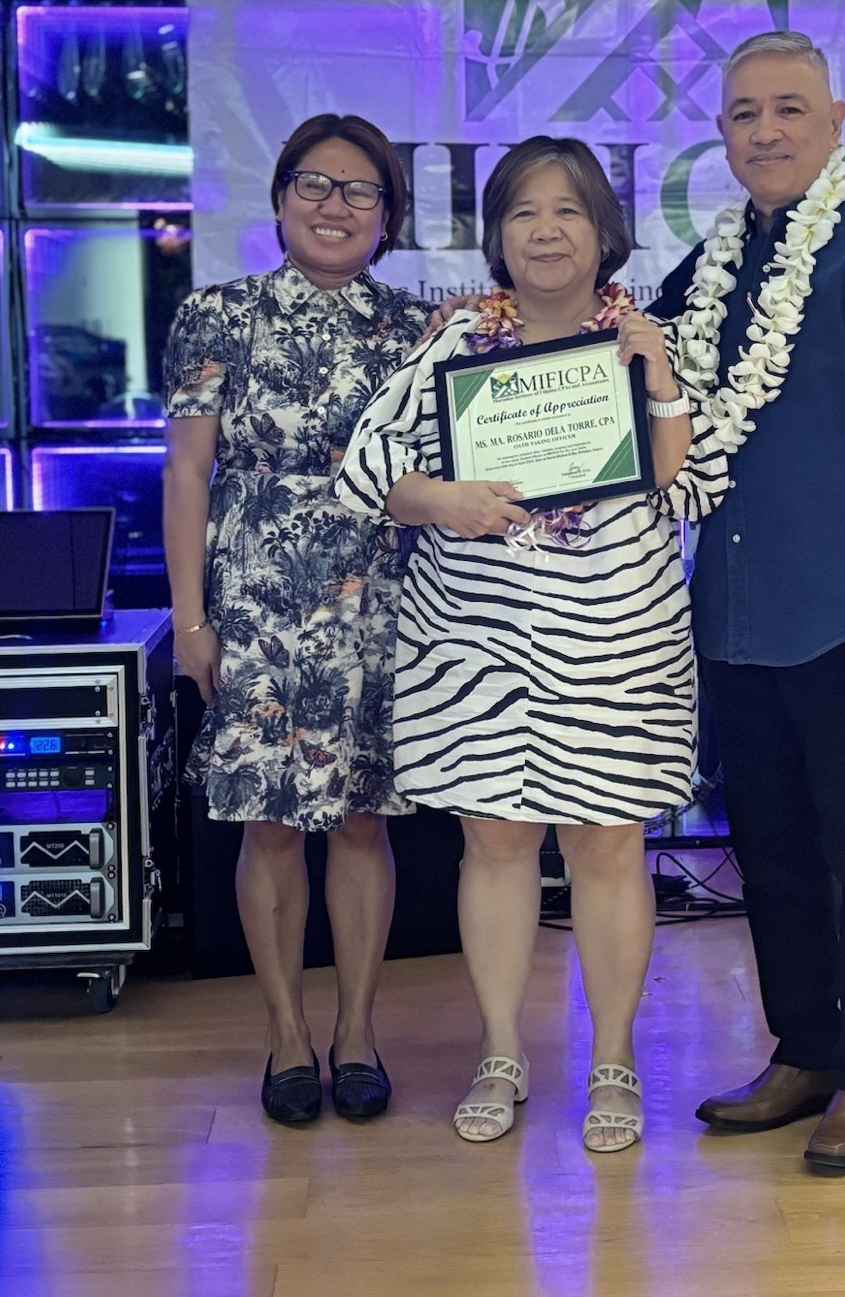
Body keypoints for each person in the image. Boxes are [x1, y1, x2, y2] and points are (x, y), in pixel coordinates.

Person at [336, 136, 725, 1154]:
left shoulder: (648, 338)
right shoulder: (454, 340)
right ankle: (501, 1051)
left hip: (616, 640)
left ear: (602, 230)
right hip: (474, 647)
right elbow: (368, 472)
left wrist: (663, 381)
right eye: (521, 213)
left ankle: (613, 1061)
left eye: (565, 211)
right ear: (496, 236)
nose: (544, 230)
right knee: (495, 842)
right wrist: (444, 498)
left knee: (608, 846)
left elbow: (685, 483)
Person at [646, 31, 845, 1174]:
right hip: (730, 613)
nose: (764, 131)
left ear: (834, 124)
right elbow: (638, 381)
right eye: (740, 114)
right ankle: (803, 1050)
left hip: (843, 615)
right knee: (766, 852)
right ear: (720, 136)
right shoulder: (708, 268)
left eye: (786, 108)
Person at [162, 113, 430, 1127]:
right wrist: (190, 618)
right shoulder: (216, 315)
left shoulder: (415, 330)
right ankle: (283, 1035)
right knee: (271, 827)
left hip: (378, 598)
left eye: (360, 191)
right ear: (278, 201)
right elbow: (188, 471)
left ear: (387, 218)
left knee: (361, 819)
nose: (334, 206)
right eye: (314, 185)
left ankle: (356, 1032)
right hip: (255, 600)